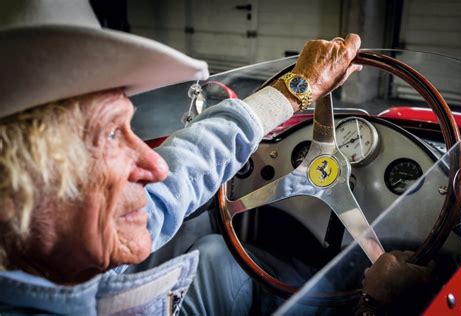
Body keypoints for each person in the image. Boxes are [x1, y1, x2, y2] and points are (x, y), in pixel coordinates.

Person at [0, 0, 363, 314]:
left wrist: (295, 89)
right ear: (10, 193)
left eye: (129, 127)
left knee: (217, 255)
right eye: (110, 134)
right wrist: (373, 305)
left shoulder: (53, 235)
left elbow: (185, 167)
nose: (154, 165)